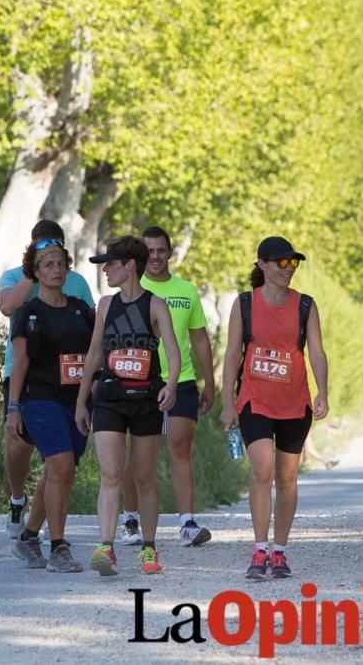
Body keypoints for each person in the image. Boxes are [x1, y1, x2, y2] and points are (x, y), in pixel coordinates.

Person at [220, 236, 329, 580]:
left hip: (295, 402)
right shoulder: (244, 304)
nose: (288, 269)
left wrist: (322, 392)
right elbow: (232, 354)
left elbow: (316, 351)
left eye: (293, 263)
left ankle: (279, 551)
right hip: (255, 399)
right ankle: (259, 548)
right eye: (281, 263)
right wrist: (227, 403)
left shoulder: (305, 306)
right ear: (263, 265)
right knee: (262, 470)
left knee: (287, 477)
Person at [75, 235, 180, 576]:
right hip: (109, 398)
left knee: (144, 477)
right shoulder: (105, 305)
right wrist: (81, 402)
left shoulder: (155, 305)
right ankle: (106, 547)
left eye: (111, 264)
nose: (106, 270)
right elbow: (93, 354)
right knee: (110, 473)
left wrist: (173, 385)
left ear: (130, 266)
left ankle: (149, 549)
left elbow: (174, 355)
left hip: (147, 399)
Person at [117, 226, 216, 548]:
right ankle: (130, 518)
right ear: (140, 256)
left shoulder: (186, 290)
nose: (156, 256)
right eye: (150, 250)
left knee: (179, 448)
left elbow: (200, 339)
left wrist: (210, 382)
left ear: (170, 253)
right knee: (137, 456)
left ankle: (187, 522)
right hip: (138, 380)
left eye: (161, 250)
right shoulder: (132, 288)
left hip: (183, 380)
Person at [0, 220, 95, 539]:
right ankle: (17, 500)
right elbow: (8, 306)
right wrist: (33, 275)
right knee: (21, 447)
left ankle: (33, 535)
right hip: (25, 378)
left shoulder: (77, 286)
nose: (56, 267)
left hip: (71, 385)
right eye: (45, 256)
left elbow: (92, 335)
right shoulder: (17, 279)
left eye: (59, 258)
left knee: (60, 464)